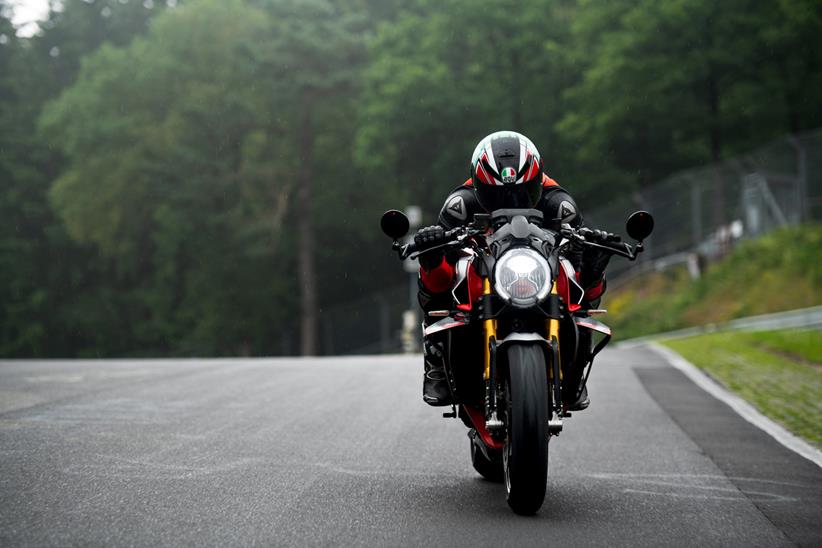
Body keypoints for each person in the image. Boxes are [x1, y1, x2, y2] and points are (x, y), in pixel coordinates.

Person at [414, 131, 611, 409]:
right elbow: (443, 251)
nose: (511, 200)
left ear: (537, 181)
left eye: (522, 193)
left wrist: (592, 258)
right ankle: (434, 360)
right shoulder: (460, 204)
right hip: (486, 265)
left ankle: (578, 365)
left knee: (583, 272)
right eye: (498, 195)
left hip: (537, 267)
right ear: (480, 185)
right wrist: (431, 248)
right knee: (437, 269)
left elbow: (579, 250)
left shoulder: (560, 203)